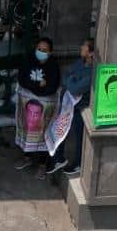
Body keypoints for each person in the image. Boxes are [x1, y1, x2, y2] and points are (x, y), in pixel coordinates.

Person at [15, 37, 60, 180]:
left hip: (45, 108)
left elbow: (51, 87)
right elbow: (22, 79)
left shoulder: (53, 66)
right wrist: (37, 85)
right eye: (39, 49)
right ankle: (27, 157)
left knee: (43, 133)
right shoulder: (29, 60)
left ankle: (42, 165)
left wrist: (34, 87)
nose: (40, 52)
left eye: (44, 50)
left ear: (50, 52)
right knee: (27, 130)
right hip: (28, 106)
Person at [47, 38, 94, 175]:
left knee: (79, 137)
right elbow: (67, 73)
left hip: (81, 108)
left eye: (84, 46)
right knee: (60, 129)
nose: (81, 48)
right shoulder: (80, 62)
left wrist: (71, 81)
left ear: (91, 53)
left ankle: (78, 163)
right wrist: (71, 80)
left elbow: (75, 89)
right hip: (69, 105)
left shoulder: (92, 71)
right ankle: (58, 158)